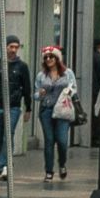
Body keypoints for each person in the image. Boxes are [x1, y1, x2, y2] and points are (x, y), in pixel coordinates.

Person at [35, 48, 75, 181]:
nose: (48, 60)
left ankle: (62, 164)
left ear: (57, 58)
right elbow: (35, 95)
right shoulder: (41, 75)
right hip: (46, 110)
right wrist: (39, 94)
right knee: (49, 141)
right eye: (46, 58)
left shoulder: (67, 73)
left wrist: (69, 92)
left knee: (62, 141)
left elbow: (74, 89)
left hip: (62, 110)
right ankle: (49, 171)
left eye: (51, 57)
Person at [0, 36, 29, 178]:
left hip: (14, 105)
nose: (13, 50)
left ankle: (4, 164)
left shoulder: (22, 67)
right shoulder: (0, 64)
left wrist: (28, 108)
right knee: (1, 136)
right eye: (11, 46)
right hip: (0, 104)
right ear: (5, 47)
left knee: (8, 134)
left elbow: (27, 88)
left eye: (16, 47)